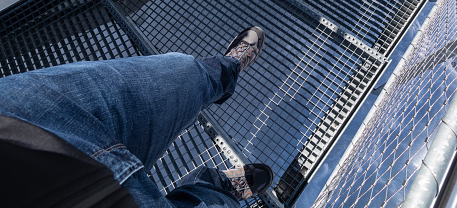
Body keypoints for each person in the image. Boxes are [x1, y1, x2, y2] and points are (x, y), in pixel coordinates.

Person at [0, 26, 273, 207]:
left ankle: (228, 67)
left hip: (23, 119)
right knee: (211, 203)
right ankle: (219, 186)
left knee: (183, 73)